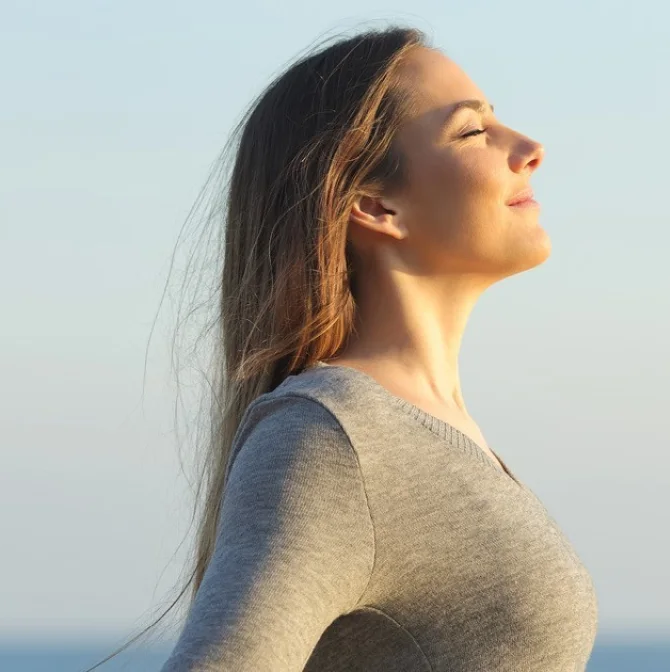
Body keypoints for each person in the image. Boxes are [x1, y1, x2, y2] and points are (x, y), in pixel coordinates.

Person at [88, 24, 598, 672]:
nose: (529, 148)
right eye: (473, 132)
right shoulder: (332, 437)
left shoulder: (430, 433)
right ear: (373, 203)